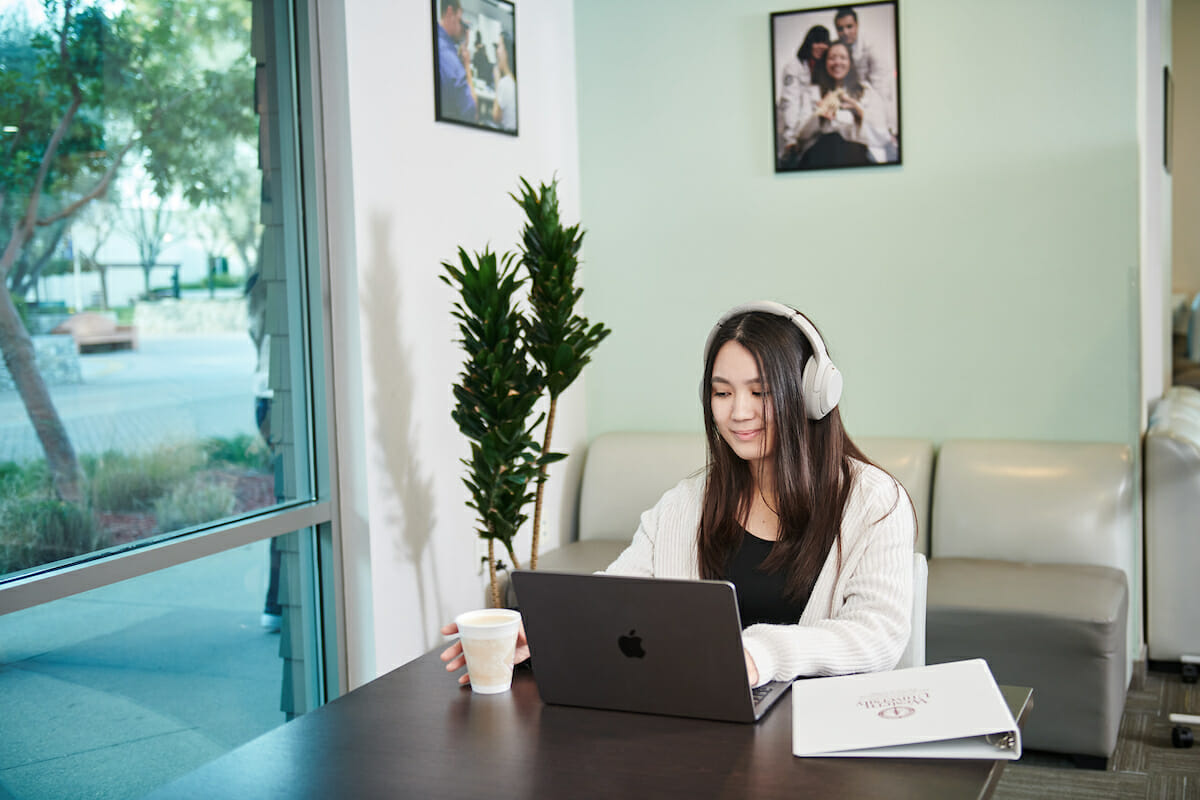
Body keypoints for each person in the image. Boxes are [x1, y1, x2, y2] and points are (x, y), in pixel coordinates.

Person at [442, 301, 915, 688]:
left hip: (814, 743)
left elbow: (878, 634)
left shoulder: (874, 503)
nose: (738, 413)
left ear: (813, 395)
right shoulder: (686, 503)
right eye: (722, 393)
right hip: (700, 732)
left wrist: (756, 654)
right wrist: (545, 630)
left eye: (760, 391)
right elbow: (619, 593)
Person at [782, 41, 889, 169]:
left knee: (842, 144)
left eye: (843, 58)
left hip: (857, 155)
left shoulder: (866, 92)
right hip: (819, 155)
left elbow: (882, 136)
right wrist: (819, 116)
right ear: (825, 63)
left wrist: (858, 111)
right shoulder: (812, 92)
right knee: (831, 140)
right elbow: (801, 137)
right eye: (832, 58)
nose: (837, 62)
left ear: (850, 62)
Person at [833, 6, 898, 142]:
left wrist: (885, 126)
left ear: (857, 25)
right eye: (840, 29)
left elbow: (881, 90)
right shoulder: (838, 49)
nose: (845, 32)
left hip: (874, 102)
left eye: (849, 26)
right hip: (852, 105)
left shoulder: (872, 48)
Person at [776, 25, 831, 154]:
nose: (821, 46)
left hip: (811, 131)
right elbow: (790, 102)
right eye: (817, 42)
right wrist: (790, 138)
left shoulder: (824, 67)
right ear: (809, 43)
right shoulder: (794, 67)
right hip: (791, 129)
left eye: (824, 43)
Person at [436, 0, 477, 123]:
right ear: (450, 12)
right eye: (460, 19)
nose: (461, 27)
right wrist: (466, 68)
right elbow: (472, 112)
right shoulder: (451, 60)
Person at [491, 32, 517, 132]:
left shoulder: (505, 83)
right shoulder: (514, 82)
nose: (497, 51)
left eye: (499, 46)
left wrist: (497, 81)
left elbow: (496, 117)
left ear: (506, 52)